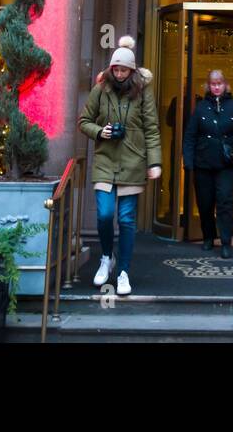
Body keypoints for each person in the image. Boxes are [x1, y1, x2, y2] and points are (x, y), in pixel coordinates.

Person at [78, 35, 162, 296]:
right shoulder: (100, 90)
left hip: (133, 161)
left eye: (124, 69)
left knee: (126, 220)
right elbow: (83, 120)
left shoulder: (142, 92)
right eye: (116, 69)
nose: (119, 73)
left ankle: (123, 271)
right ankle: (106, 257)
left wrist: (155, 161)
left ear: (132, 70)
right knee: (104, 215)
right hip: (105, 160)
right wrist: (99, 131)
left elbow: (151, 128)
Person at [183, 69, 233, 258]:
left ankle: (226, 242)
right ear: (208, 86)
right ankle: (208, 237)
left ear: (225, 84)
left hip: (226, 164)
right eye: (213, 84)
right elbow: (190, 136)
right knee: (205, 203)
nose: (217, 87)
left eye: (219, 83)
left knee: (225, 201)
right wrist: (188, 161)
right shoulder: (201, 107)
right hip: (203, 162)